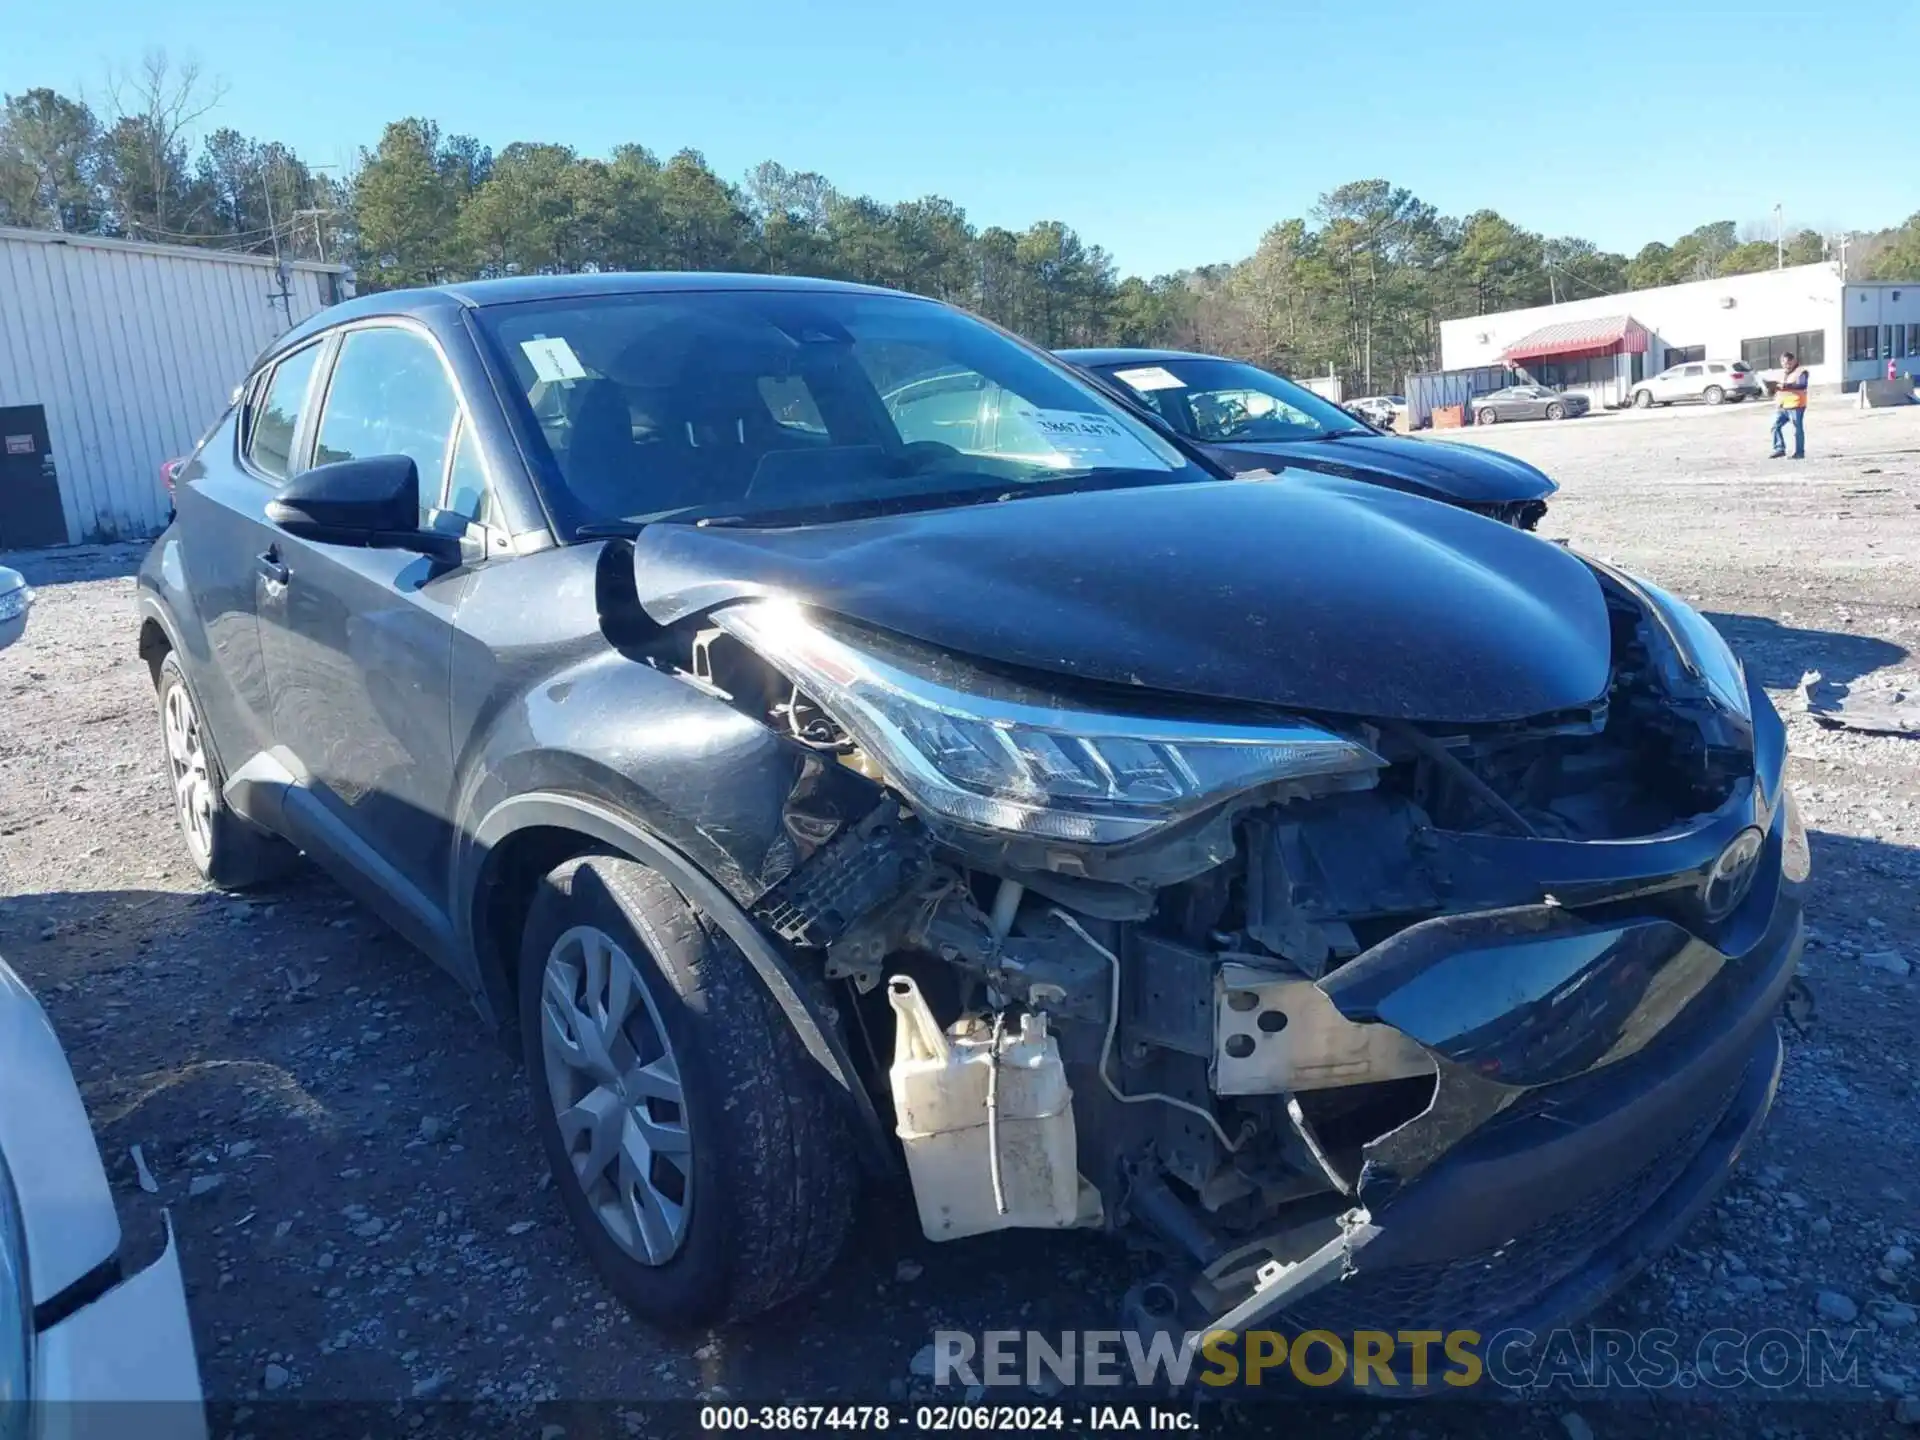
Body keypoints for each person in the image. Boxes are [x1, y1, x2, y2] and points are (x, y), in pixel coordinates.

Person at [1770, 352, 1809, 459]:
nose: (1786, 365)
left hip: (1796, 405)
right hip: (1782, 406)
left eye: (1788, 362)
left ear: (1794, 361)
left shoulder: (1801, 372)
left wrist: (1786, 386)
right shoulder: (1782, 373)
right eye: (1783, 362)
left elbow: (1802, 384)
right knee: (1775, 426)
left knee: (1797, 429)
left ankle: (1799, 452)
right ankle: (1779, 449)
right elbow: (1779, 388)